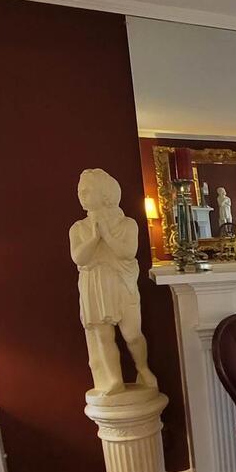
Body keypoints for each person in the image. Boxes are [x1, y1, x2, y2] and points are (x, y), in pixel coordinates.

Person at [69, 168, 158, 396]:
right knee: (103, 336)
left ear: (105, 194)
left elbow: (128, 253)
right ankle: (113, 380)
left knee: (132, 334)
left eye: (87, 191)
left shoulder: (127, 224)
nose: (81, 194)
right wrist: (94, 238)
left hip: (120, 283)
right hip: (93, 283)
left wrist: (106, 235)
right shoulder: (78, 228)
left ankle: (143, 368)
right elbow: (79, 257)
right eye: (80, 191)